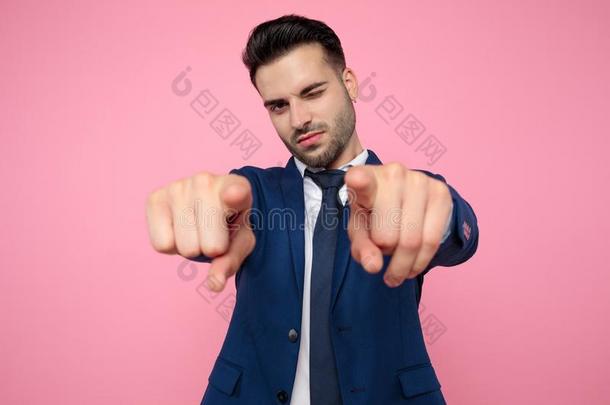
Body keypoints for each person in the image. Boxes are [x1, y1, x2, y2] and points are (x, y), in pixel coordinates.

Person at [146, 14, 479, 405]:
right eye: (278, 105)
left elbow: (455, 229)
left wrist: (437, 216)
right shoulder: (252, 193)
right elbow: (215, 213)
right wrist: (191, 215)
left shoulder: (401, 191)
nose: (299, 119)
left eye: (312, 92)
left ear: (349, 84)